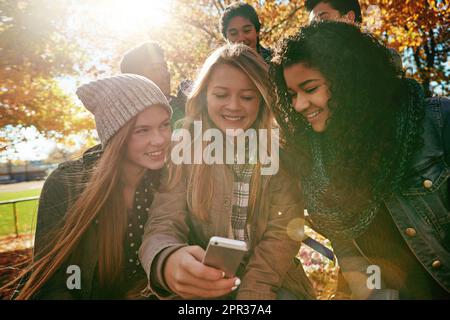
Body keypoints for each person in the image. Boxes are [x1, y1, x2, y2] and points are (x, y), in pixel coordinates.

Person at [270, 21, 450, 299]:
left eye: (310, 88)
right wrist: (372, 292)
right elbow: (346, 243)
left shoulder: (437, 124)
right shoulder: (316, 161)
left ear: (348, 79)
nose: (299, 105)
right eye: (292, 95)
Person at [139, 43, 315, 300]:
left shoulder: (278, 150)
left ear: (262, 99)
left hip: (272, 281)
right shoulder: (185, 145)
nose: (234, 106)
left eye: (247, 97)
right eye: (221, 95)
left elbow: (284, 230)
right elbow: (164, 220)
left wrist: (255, 291)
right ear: (204, 96)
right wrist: (167, 259)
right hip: (205, 279)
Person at [11, 74, 172, 299]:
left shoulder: (171, 181)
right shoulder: (67, 185)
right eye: (142, 130)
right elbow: (53, 282)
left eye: (165, 125)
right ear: (116, 135)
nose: (160, 139)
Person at [305, 0, 403, 73]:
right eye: (313, 24)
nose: (316, 28)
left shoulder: (387, 61)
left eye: (323, 19)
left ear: (349, 18)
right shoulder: (308, 69)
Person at [120, 42, 187, 125]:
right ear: (137, 78)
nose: (166, 74)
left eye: (165, 67)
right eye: (156, 69)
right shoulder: (129, 123)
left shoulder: (184, 106)